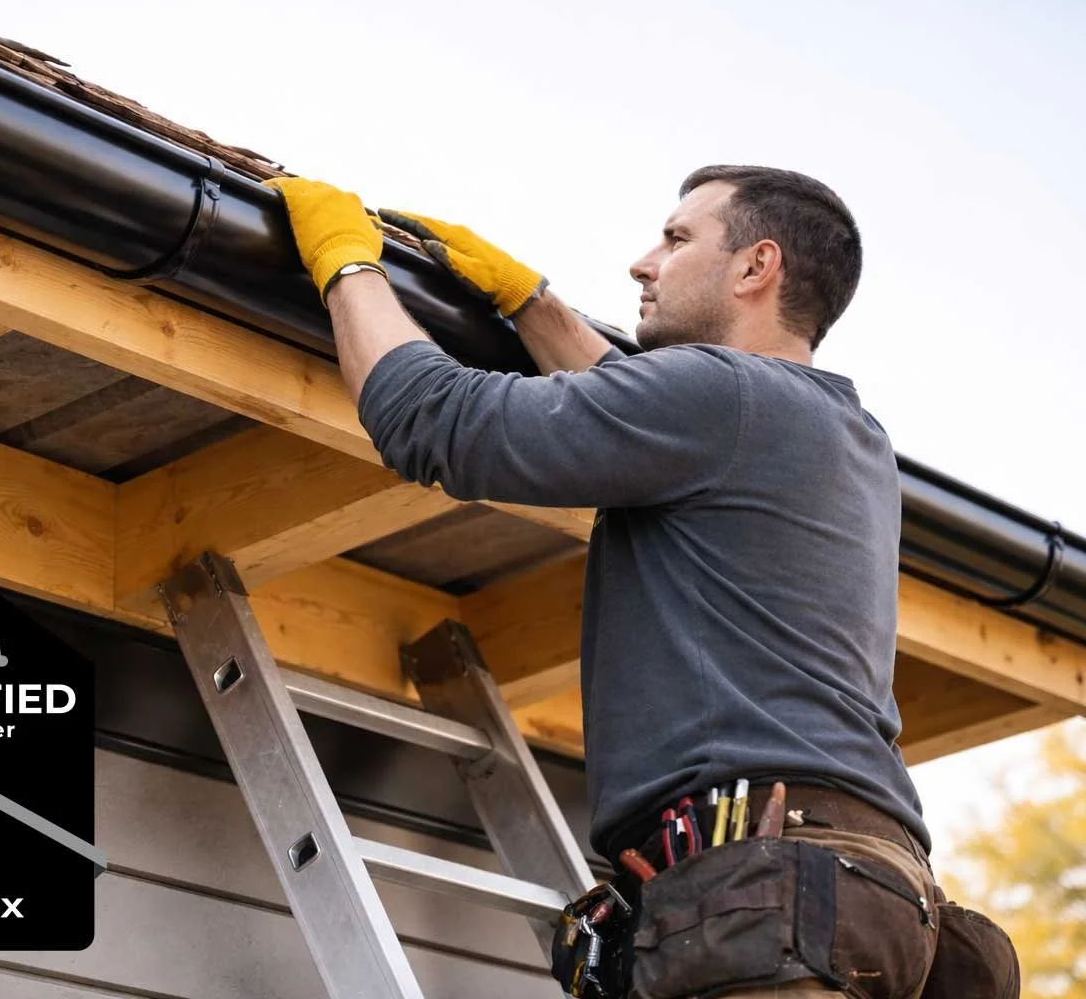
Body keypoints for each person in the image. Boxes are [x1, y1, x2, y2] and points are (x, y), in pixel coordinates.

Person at [266, 166, 942, 997]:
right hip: (856, 890)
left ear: (755, 267)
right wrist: (533, 307)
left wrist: (346, 265)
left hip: (765, 887)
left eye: (677, 237)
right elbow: (636, 411)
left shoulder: (721, 396)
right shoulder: (837, 430)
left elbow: (439, 423)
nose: (643, 262)